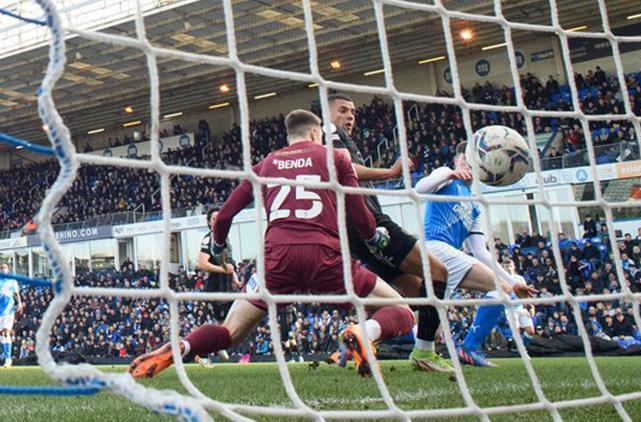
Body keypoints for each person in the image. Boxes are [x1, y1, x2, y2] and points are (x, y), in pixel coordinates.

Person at [129, 110, 414, 379]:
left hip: (276, 262)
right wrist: (374, 238)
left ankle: (184, 347)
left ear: (290, 135)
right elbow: (361, 218)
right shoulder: (335, 157)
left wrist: (217, 247)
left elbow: (225, 214)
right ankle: (365, 332)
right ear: (316, 133)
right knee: (401, 310)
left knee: (232, 332)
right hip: (325, 257)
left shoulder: (266, 164)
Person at [326, 94, 450, 371]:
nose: (350, 117)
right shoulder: (329, 131)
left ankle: (364, 335)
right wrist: (390, 172)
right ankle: (424, 353)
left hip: (354, 231)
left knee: (415, 295)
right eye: (343, 110)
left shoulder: (340, 138)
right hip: (368, 223)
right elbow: (343, 168)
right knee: (439, 272)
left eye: (353, 112)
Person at [414, 142, 535, 368]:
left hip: (448, 258)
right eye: (464, 161)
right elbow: (419, 189)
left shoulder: (474, 206)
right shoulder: (446, 177)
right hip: (434, 247)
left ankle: (365, 335)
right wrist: (450, 173)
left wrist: (513, 281)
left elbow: (481, 252)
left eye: (474, 163)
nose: (468, 167)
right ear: (457, 162)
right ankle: (469, 348)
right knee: (501, 289)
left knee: (419, 318)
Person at [194, 208, 241, 367]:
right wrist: (223, 270)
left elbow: (230, 262)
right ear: (208, 222)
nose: (217, 221)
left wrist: (233, 276)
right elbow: (202, 263)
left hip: (226, 286)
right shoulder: (208, 239)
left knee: (227, 322)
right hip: (215, 288)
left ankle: (218, 345)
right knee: (216, 322)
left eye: (219, 218)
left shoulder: (225, 239)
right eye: (213, 219)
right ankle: (202, 354)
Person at [0, 263, 22, 368]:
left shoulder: (12, 280)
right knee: (1, 334)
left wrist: (20, 303)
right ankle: (6, 355)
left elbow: (16, 293)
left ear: (8, 269)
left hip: (9, 310)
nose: (3, 269)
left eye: (4, 267)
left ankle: (8, 358)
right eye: (1, 268)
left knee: (6, 332)